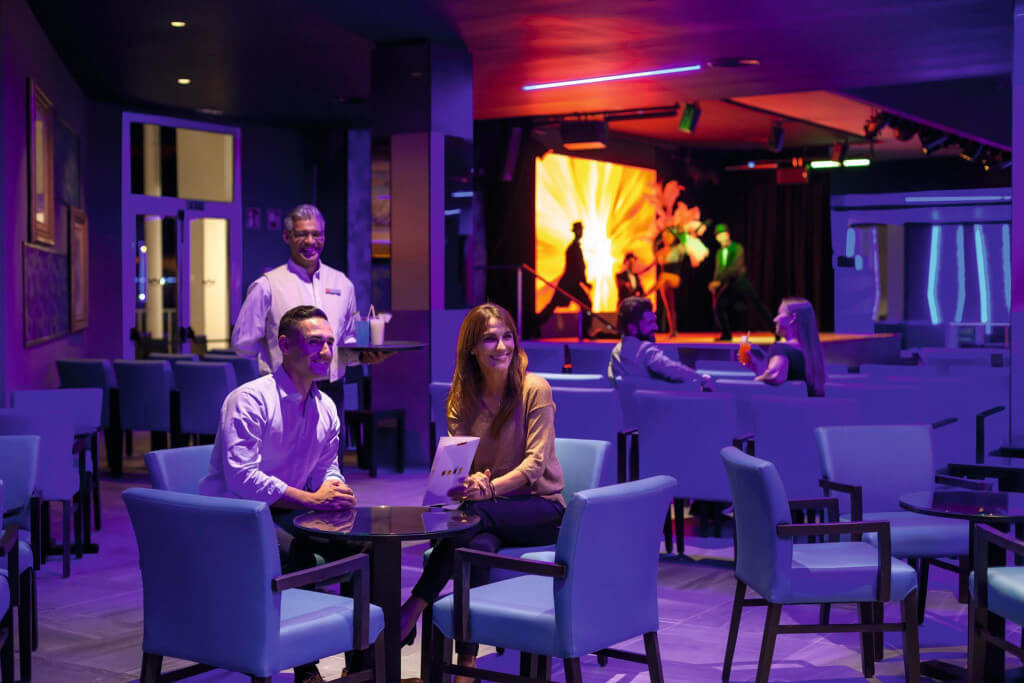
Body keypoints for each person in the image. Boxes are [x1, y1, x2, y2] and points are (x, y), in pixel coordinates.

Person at [399, 303, 565, 681]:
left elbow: (535, 465)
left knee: (472, 519)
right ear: (472, 348)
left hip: (540, 507)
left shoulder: (534, 389)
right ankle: (467, 663)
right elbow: (459, 459)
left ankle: (414, 605)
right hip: (489, 511)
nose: (501, 346)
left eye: (507, 337)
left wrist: (487, 490)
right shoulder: (462, 396)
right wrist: (465, 481)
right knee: (475, 547)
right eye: (490, 339)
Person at [200, 304, 359, 683]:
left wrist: (335, 490)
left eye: (330, 343)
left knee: (364, 548)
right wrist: (311, 500)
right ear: (285, 345)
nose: (326, 351)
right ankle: (306, 668)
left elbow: (327, 467)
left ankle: (363, 664)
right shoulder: (250, 400)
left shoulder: (326, 406)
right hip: (236, 517)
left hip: (287, 511)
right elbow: (242, 478)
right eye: (315, 342)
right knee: (296, 552)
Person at [230, 204, 390, 419]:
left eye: (316, 234)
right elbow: (243, 343)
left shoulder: (342, 284)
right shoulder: (267, 285)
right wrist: (272, 359)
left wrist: (363, 356)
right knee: (284, 443)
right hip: (284, 389)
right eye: (301, 234)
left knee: (332, 442)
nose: (310, 241)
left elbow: (347, 340)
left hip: (332, 391)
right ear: (287, 236)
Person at [609, 296, 714, 389]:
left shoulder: (616, 352)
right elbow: (672, 369)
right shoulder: (644, 349)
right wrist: (701, 378)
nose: (656, 327)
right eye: (650, 323)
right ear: (632, 328)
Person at [742, 297, 826, 397]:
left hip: (787, 406)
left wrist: (755, 380)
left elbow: (775, 376)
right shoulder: (815, 352)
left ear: (793, 318)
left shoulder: (780, 348)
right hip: (812, 406)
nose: (775, 319)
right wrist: (758, 367)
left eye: (779, 314)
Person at [707, 223, 773, 341]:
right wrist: (714, 282)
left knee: (757, 306)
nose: (721, 237)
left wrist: (719, 282)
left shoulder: (737, 248)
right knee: (719, 306)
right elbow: (718, 270)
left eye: (723, 234)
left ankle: (775, 330)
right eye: (718, 235)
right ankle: (726, 334)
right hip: (727, 285)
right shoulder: (719, 253)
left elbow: (735, 268)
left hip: (740, 282)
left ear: (728, 234)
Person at [536, 220, 593, 335]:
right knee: (585, 305)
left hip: (570, 284)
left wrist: (584, 282)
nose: (581, 232)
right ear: (576, 232)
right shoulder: (573, 248)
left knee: (553, 306)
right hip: (569, 285)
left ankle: (533, 326)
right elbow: (576, 268)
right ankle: (533, 326)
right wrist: (585, 282)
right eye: (580, 230)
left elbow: (578, 268)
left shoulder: (575, 247)